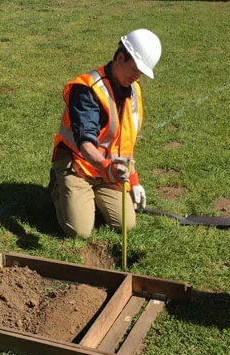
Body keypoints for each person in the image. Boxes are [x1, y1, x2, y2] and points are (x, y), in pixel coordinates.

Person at [49, 29, 162, 238]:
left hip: (108, 171)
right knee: (80, 230)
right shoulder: (87, 90)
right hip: (78, 165)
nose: (137, 77)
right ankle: (59, 186)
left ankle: (90, 197)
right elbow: (85, 143)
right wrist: (105, 166)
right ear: (120, 58)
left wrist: (134, 181)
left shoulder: (134, 91)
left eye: (141, 74)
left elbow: (126, 143)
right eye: (135, 69)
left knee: (126, 225)